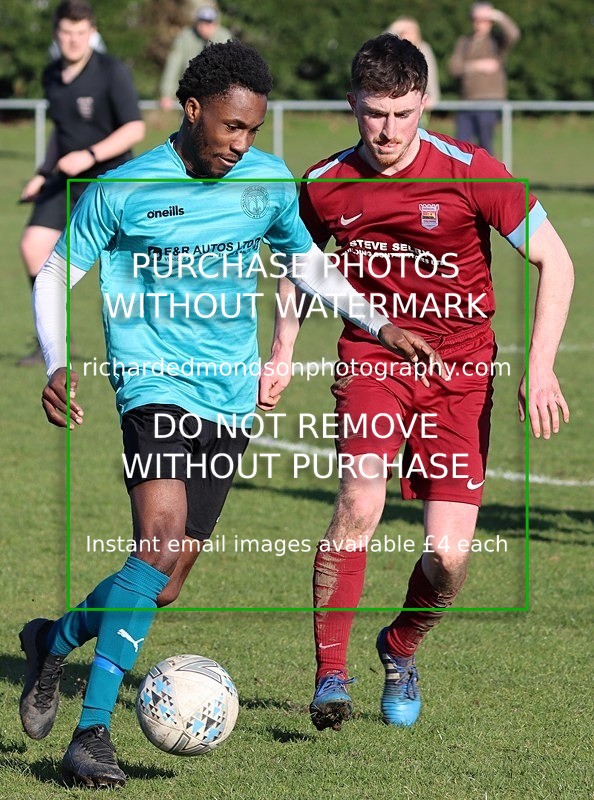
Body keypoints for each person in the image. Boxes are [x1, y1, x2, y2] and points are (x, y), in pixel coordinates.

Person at [18, 40, 436, 788]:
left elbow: (306, 263)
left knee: (165, 581)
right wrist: (55, 361)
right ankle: (90, 736)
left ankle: (54, 640)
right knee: (157, 544)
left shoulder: (265, 180)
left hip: (229, 398)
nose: (242, 143)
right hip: (151, 384)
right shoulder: (125, 188)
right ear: (193, 110)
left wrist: (379, 324)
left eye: (253, 130)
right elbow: (54, 271)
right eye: (231, 127)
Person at [262, 32, 573, 732]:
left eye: (403, 114)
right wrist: (282, 350)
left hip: (462, 373)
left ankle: (400, 646)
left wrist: (540, 365)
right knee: (359, 503)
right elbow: (300, 266)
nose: (388, 131)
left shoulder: (471, 170)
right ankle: (330, 676)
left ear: (425, 104)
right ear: (353, 104)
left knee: (449, 558)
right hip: (373, 359)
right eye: (375, 113)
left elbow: (556, 260)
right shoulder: (325, 183)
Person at [18, 0, 145, 366]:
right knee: (33, 246)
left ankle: (144, 347)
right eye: (66, 32)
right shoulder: (51, 75)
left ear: (92, 33)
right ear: (56, 34)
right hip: (66, 180)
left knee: (127, 268)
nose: (73, 40)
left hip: (110, 181)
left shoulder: (111, 71)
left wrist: (90, 156)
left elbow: (134, 128)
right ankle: (52, 343)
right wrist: (42, 173)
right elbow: (62, 131)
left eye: (80, 32)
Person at [448, 2, 520, 154]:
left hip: (489, 101)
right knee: (460, 147)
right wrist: (477, 66)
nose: (480, 23)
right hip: (466, 101)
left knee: (485, 146)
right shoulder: (465, 41)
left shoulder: (496, 41)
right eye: (476, 19)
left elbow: (514, 34)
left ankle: (487, 171)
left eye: (484, 20)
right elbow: (453, 67)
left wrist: (497, 15)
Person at [158, 5, 232, 111]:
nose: (203, 27)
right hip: (190, 92)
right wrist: (167, 93)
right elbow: (173, 64)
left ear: (216, 24)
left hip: (218, 94)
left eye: (208, 23)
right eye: (201, 22)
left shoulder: (224, 37)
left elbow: (230, 68)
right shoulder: (185, 37)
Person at [386, 17, 440, 111]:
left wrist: (433, 97)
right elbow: (379, 47)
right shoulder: (393, 50)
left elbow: (430, 74)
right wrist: (393, 28)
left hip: (415, 101)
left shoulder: (424, 49)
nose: (406, 35)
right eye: (403, 32)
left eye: (409, 32)